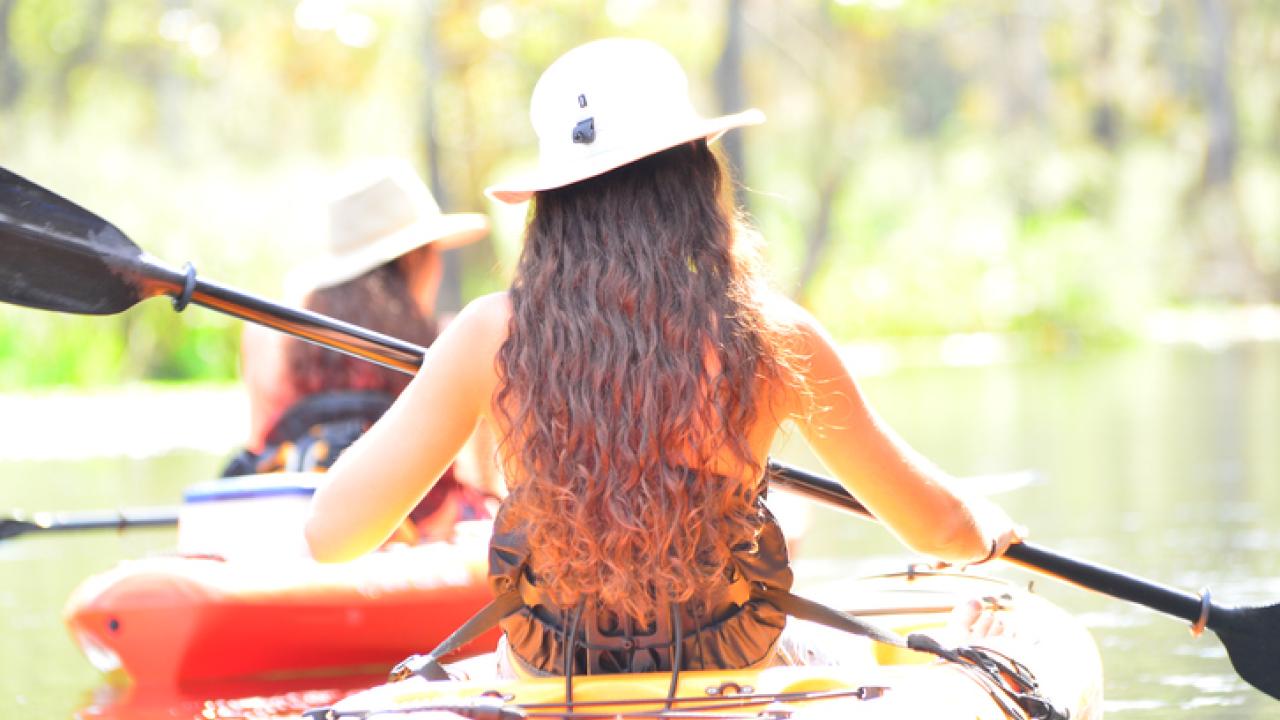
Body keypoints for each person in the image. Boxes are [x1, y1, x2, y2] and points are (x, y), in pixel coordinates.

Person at [305, 39, 1022, 676]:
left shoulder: (487, 336)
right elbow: (941, 533)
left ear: (553, 204)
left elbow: (331, 536)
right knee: (895, 654)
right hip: (733, 660)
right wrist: (985, 530)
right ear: (696, 177)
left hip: (551, 676)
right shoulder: (772, 337)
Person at [230, 159, 499, 542]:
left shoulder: (267, 339)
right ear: (415, 259)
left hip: (298, 522)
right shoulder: (454, 339)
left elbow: (260, 445)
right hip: (421, 529)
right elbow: (480, 476)